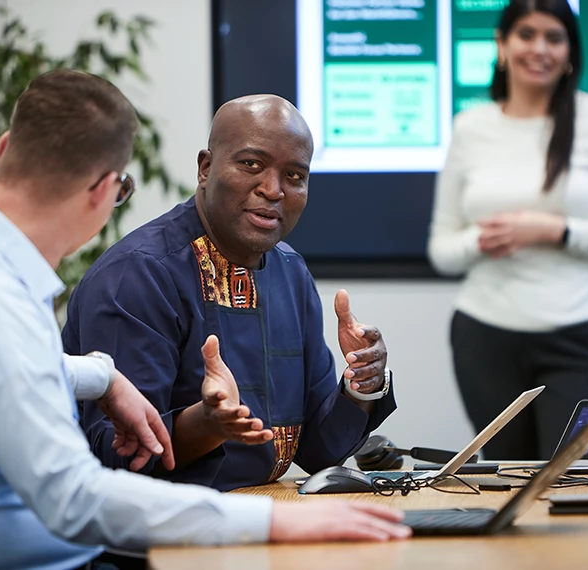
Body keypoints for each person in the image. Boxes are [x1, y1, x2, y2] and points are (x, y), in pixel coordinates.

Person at [0, 70, 409, 570]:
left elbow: (7, 367)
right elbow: (76, 499)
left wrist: (101, 375)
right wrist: (270, 522)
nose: (272, 190)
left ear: (4, 148)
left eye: (294, 176)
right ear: (105, 192)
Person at [62, 94, 397, 492]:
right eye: (252, 164)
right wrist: (205, 425)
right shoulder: (138, 275)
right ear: (206, 168)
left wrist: (361, 385)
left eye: (294, 176)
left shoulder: (290, 271)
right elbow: (114, 460)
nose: (273, 190)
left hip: (268, 514)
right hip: (158, 536)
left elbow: (316, 452)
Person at [427, 0, 588, 460]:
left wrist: (554, 229)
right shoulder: (470, 127)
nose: (540, 48)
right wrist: (488, 238)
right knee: (506, 484)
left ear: (570, 51)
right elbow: (442, 249)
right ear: (502, 45)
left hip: (583, 338)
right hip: (485, 338)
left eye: (554, 37)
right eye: (526, 34)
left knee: (581, 483)